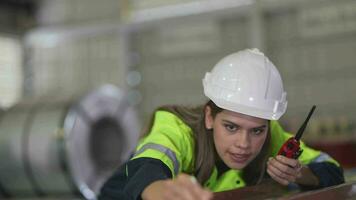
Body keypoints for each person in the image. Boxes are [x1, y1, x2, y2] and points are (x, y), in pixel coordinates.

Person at [98, 49, 344, 200]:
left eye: (257, 130)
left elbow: (330, 168)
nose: (244, 144)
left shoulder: (271, 134)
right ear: (209, 117)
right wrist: (161, 191)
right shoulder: (175, 127)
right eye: (231, 127)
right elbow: (149, 166)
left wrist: (301, 173)